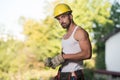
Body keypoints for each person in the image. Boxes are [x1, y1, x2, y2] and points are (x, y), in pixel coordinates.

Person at [44, 3, 92, 80]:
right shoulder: (64, 36)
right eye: (58, 19)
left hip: (74, 75)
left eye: (63, 17)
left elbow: (87, 54)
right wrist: (53, 61)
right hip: (63, 74)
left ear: (71, 16)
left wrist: (64, 57)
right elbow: (65, 57)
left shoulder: (79, 32)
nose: (61, 21)